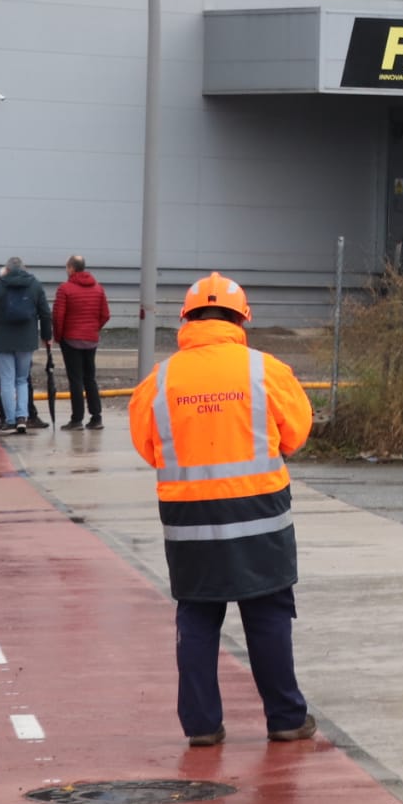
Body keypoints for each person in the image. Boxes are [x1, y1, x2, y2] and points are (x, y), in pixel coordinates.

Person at [130, 273, 316, 747]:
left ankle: (201, 726)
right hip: (261, 516)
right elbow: (295, 431)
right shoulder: (265, 370)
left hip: (188, 519)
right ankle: (287, 718)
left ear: (186, 319)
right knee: (268, 610)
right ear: (241, 319)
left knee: (197, 614)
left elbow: (148, 446)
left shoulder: (161, 379)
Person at [0, 257, 53, 434]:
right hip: (26, 340)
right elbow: (45, 313)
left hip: (3, 340)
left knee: (6, 381)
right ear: (23, 268)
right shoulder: (34, 285)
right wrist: (46, 336)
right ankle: (22, 417)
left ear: (8, 270)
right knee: (22, 379)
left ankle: (10, 419)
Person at [53, 255, 111, 429]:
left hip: (71, 340)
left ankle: (77, 419)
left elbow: (58, 317)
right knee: (90, 378)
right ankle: (96, 417)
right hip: (90, 339)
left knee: (76, 380)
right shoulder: (98, 288)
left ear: (71, 268)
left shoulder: (65, 289)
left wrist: (59, 336)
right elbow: (105, 315)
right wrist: (93, 329)